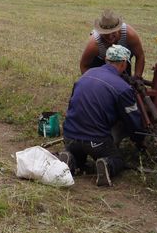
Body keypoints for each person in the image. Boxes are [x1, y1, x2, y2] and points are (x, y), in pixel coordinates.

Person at [61, 44, 144, 186]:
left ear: (106, 60)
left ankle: (71, 159)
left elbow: (72, 104)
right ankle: (107, 164)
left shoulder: (86, 75)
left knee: (79, 154)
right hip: (96, 141)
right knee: (117, 159)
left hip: (70, 135)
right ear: (124, 63)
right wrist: (140, 140)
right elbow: (132, 120)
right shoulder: (122, 87)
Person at [79, 9, 145, 78]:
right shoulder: (94, 43)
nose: (110, 37)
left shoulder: (130, 34)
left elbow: (140, 56)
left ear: (118, 29)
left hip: (122, 61)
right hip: (100, 62)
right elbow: (84, 65)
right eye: (106, 34)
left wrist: (137, 78)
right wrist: (91, 80)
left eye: (113, 32)